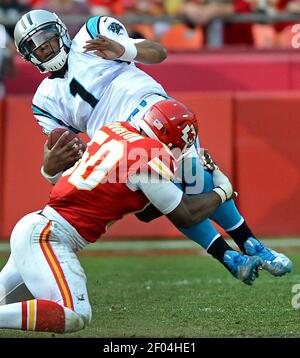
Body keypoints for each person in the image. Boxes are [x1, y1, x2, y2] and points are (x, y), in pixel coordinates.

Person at [13, 10, 292, 279]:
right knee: (166, 203)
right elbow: (66, 158)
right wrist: (51, 168)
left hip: (153, 113)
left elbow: (158, 53)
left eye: (46, 37)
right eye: (36, 46)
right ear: (29, 56)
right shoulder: (44, 101)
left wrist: (123, 50)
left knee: (195, 180)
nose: (45, 47)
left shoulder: (92, 33)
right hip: (121, 146)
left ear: (60, 30)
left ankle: (247, 247)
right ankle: (230, 254)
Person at [0, 100, 263, 333]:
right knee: (74, 314)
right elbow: (186, 216)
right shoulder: (149, 157)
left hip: (38, 228)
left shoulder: (114, 131)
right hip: (48, 238)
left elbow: (146, 214)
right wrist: (223, 191)